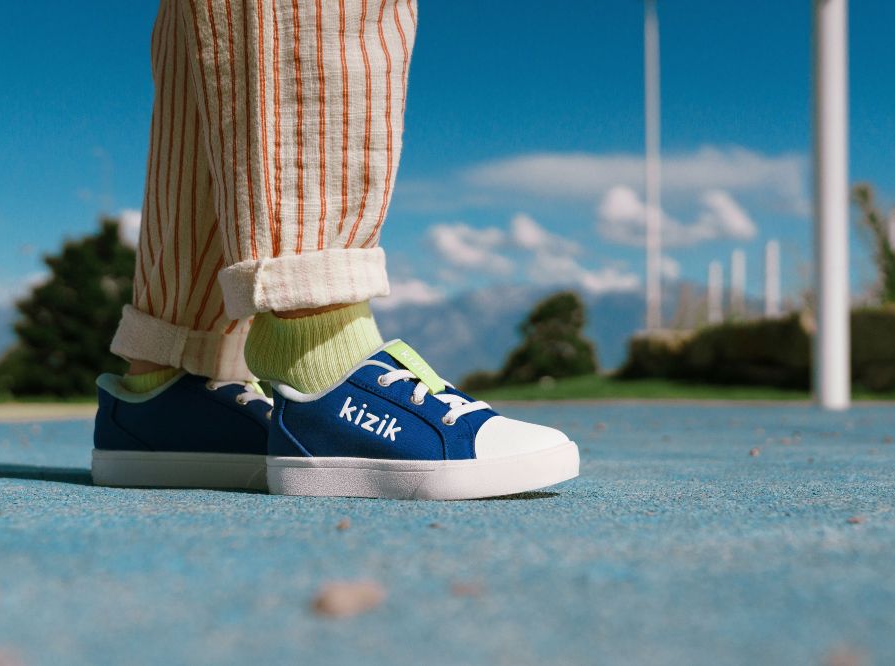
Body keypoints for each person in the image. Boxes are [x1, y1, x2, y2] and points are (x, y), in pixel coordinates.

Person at [92, 0, 579, 499]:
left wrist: (183, 345)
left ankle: (171, 384)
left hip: (173, 400)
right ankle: (318, 359)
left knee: (209, 28)